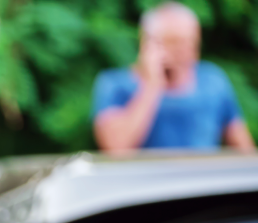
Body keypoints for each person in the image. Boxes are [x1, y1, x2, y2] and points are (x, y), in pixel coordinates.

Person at [92, 2, 254, 152]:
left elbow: (244, 150)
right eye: (175, 43)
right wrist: (152, 85)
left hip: (203, 180)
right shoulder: (115, 84)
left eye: (192, 43)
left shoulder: (213, 81)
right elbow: (116, 148)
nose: (187, 51)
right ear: (147, 43)